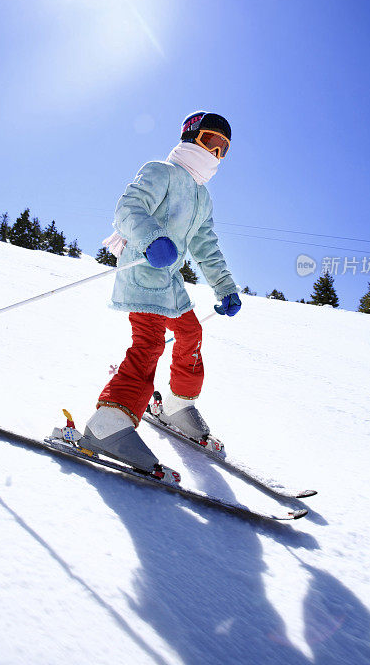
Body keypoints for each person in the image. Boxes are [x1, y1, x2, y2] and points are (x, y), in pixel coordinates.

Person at [80, 112, 242, 480]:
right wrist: (153, 237)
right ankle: (109, 422)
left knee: (191, 334)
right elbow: (128, 210)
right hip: (142, 270)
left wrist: (225, 286)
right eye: (209, 142)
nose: (215, 153)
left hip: (169, 282)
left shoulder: (203, 196)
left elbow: (206, 247)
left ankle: (176, 405)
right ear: (190, 137)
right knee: (150, 344)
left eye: (223, 149)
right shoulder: (160, 171)